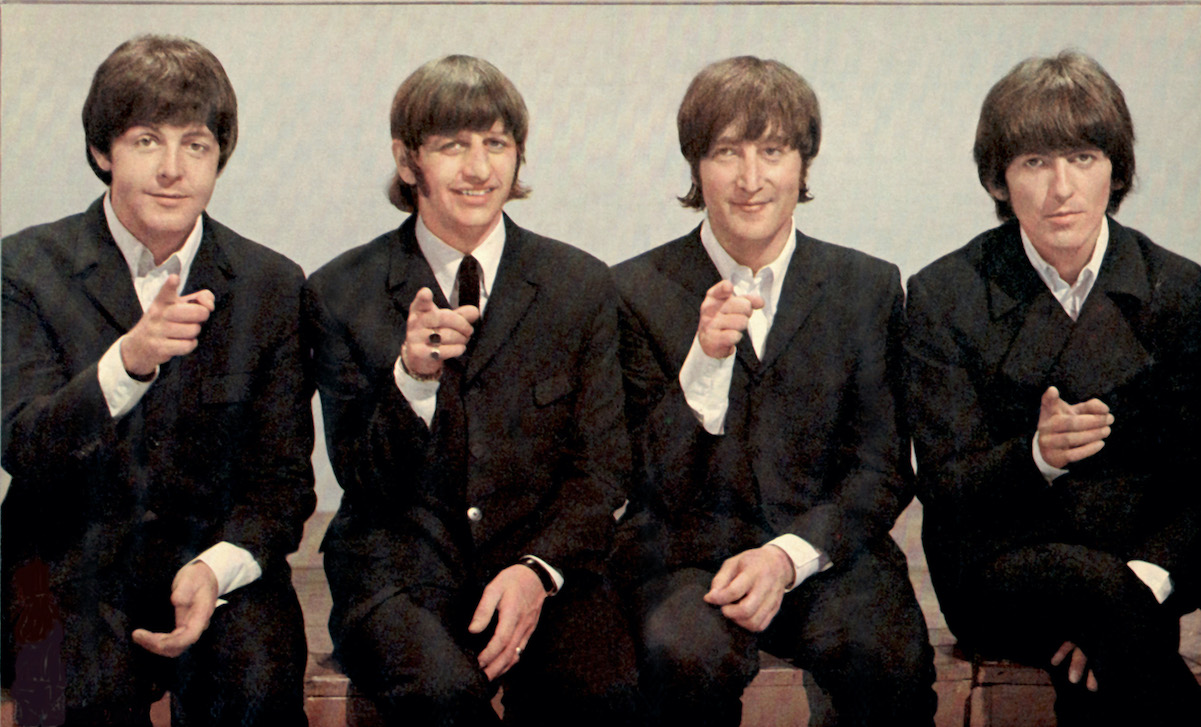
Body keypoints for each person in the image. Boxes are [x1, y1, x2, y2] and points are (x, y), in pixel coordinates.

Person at [304, 55, 639, 725]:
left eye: (496, 143)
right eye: (452, 146)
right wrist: (412, 380)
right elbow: (363, 482)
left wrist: (537, 570)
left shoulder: (580, 285)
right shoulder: (340, 291)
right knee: (442, 695)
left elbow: (603, 468)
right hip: (397, 575)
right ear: (407, 162)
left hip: (542, 563)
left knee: (604, 691)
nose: (479, 168)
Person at [612, 56, 936, 726]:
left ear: (803, 164)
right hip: (686, 562)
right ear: (696, 167)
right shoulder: (632, 290)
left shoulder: (866, 287)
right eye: (726, 152)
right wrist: (703, 364)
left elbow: (880, 470)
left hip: (827, 553)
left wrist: (786, 558)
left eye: (773, 151)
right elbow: (642, 480)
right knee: (681, 659)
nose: (751, 178)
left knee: (886, 658)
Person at [1, 35, 315, 726]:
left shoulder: (271, 284)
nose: (173, 170)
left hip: (211, 560)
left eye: (195, 145)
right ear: (102, 151)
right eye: (147, 141)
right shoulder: (22, 268)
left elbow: (283, 482)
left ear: (218, 158)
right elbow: (23, 444)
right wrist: (127, 364)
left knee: (258, 685)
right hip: (59, 567)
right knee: (74, 701)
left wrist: (216, 568)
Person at [905, 50, 1201, 725]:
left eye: (1082, 158)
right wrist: (1036, 456)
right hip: (997, 572)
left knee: (1109, 627)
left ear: (1115, 170)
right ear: (999, 179)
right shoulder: (944, 294)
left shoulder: (1181, 293)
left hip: (1138, 568)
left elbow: (1197, 483)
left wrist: (1142, 585)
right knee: (1094, 593)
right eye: (1034, 162)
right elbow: (945, 487)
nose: (1060, 188)